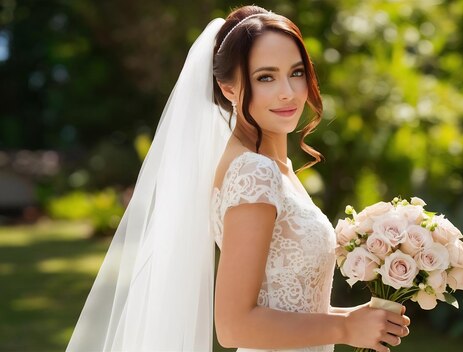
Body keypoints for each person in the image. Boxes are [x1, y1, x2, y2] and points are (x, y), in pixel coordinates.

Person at [66, 5, 410, 352]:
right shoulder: (254, 171)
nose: (287, 92)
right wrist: (346, 328)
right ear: (228, 89)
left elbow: (288, 307)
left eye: (296, 72)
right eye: (265, 77)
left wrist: (357, 320)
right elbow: (234, 327)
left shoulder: (275, 167)